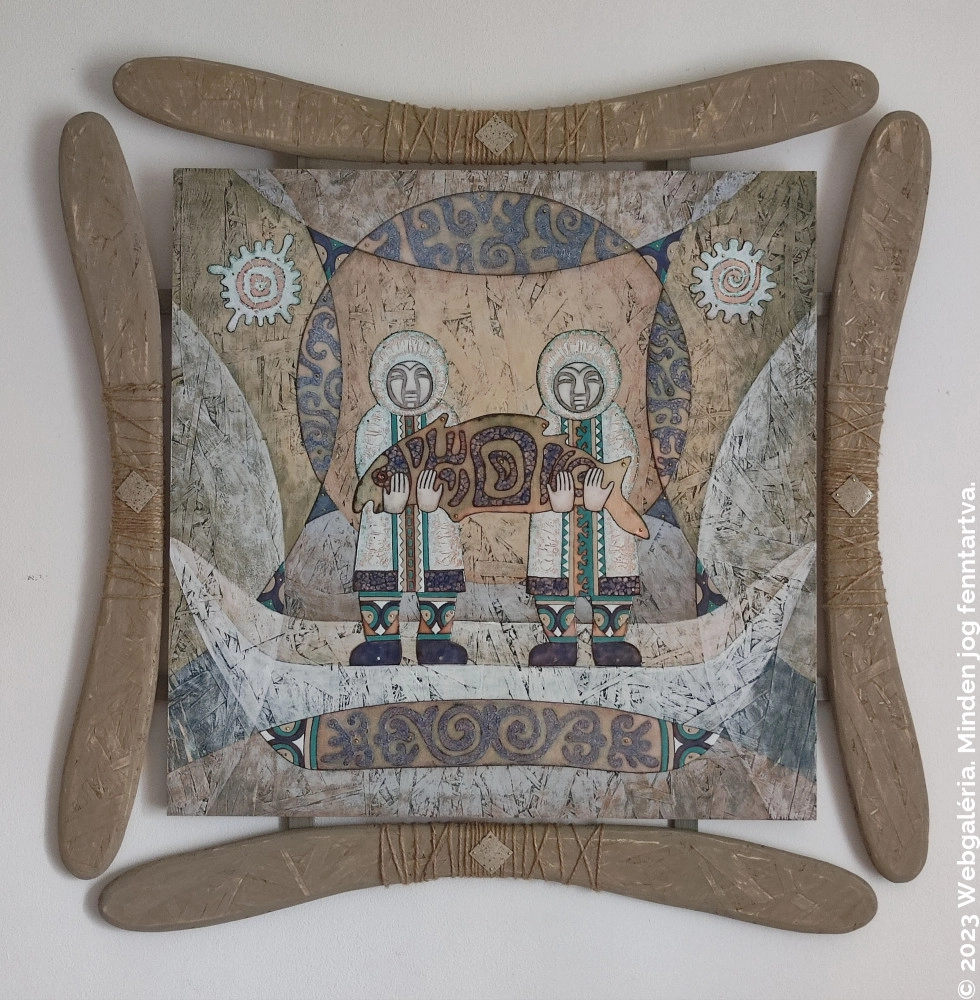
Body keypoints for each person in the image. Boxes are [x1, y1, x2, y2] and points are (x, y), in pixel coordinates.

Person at [349, 330, 467, 666]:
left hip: (436, 520)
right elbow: (367, 470)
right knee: (380, 578)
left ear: (436, 380)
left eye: (420, 376)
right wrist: (387, 502)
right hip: (383, 523)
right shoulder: (374, 421)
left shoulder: (446, 419)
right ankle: (382, 643)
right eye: (399, 377)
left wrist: (437, 499)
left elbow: (459, 470)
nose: (410, 387)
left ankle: (435, 643)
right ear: (383, 381)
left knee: (438, 577)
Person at [527, 330, 642, 666]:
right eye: (568, 380)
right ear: (551, 383)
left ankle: (610, 643)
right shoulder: (545, 421)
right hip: (554, 523)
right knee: (553, 581)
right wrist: (553, 500)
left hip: (608, 523)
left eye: (590, 380)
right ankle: (560, 643)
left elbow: (627, 462)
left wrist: (604, 496)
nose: (579, 391)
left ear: (606, 382)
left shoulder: (613, 421)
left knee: (612, 580)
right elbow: (532, 469)